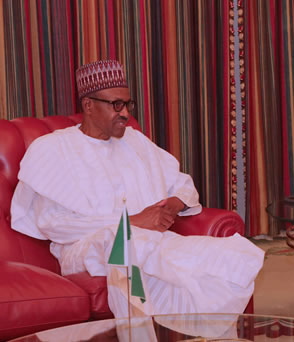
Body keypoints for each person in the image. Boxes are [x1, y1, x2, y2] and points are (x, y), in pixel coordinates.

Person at [10, 59, 264, 318]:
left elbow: (183, 186)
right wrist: (132, 222)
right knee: (126, 242)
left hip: (151, 242)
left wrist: (171, 206)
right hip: (84, 249)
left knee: (233, 252)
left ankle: (184, 322)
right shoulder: (53, 148)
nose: (125, 113)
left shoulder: (134, 141)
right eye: (116, 105)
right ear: (88, 105)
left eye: (127, 104)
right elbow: (53, 223)